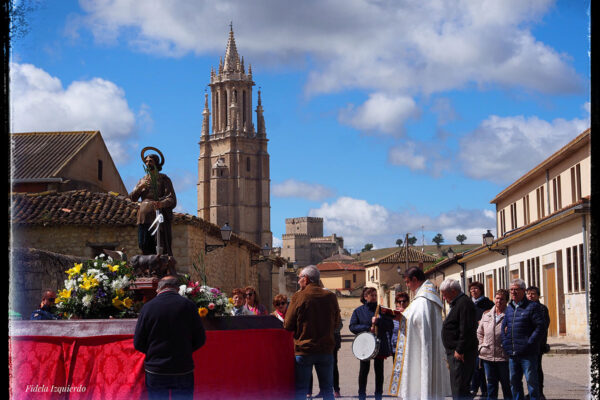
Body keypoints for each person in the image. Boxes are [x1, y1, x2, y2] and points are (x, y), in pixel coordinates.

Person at [134, 275, 206, 400]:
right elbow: (200, 338)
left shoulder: (147, 308)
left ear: (158, 289)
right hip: (182, 367)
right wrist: (186, 351)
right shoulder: (189, 306)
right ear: (177, 289)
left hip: (156, 368)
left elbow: (138, 342)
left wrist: (153, 352)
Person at [389, 267, 451, 399]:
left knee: (423, 376)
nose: (406, 285)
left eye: (407, 282)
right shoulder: (427, 296)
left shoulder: (424, 299)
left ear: (415, 280)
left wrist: (402, 317)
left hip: (423, 348)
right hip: (427, 345)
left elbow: (418, 320)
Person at [284, 265, 341, 400]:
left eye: (300, 278)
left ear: (307, 279)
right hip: (326, 349)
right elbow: (337, 324)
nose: (298, 281)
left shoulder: (299, 296)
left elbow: (288, 325)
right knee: (328, 389)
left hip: (304, 349)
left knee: (301, 390)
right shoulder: (331, 296)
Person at [501, 279, 545, 400]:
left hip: (528, 353)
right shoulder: (509, 307)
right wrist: (505, 343)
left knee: (531, 382)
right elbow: (503, 327)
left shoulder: (532, 307)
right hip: (512, 353)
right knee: (514, 382)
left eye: (516, 289)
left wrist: (530, 343)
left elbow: (540, 327)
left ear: (523, 291)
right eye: (511, 290)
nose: (513, 292)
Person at [128, 151, 177, 255]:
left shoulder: (163, 179)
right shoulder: (142, 180)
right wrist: (140, 187)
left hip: (158, 215)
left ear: (156, 163)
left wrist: (162, 203)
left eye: (150, 161)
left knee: (159, 243)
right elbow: (132, 197)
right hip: (143, 217)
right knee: (144, 243)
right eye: (146, 161)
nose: (147, 163)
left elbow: (171, 198)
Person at [350, 287, 394, 400]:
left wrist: (379, 321)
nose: (374, 297)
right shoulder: (358, 311)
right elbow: (352, 326)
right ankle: (361, 395)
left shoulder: (383, 311)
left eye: (375, 295)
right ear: (365, 297)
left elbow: (390, 326)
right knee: (364, 371)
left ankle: (378, 395)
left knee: (379, 371)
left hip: (379, 343)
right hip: (365, 345)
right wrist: (367, 328)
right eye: (372, 295)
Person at [441, 278, 478, 400]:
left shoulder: (464, 303)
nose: (444, 298)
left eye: (445, 294)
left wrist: (459, 350)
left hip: (461, 354)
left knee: (460, 387)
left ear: (453, 291)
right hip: (456, 352)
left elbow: (466, 329)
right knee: (458, 386)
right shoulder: (458, 302)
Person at [477, 289, 513, 400]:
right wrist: (482, 345)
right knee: (491, 384)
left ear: (506, 301)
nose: (499, 301)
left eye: (502, 299)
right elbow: (479, 332)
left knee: (506, 384)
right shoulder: (486, 315)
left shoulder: (510, 314)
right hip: (487, 355)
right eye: (497, 298)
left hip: (503, 357)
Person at [470, 281, 494, 398]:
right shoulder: (469, 304)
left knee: (483, 366)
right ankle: (479, 389)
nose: (473, 291)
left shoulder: (488, 303)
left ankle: (483, 389)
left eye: (475, 289)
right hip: (472, 338)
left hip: (485, 338)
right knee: (475, 366)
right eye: (471, 289)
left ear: (481, 290)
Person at [526, 286, 550, 400]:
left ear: (538, 296)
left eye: (533, 294)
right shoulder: (524, 307)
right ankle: (531, 392)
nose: (530, 296)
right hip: (525, 344)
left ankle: (539, 392)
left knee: (536, 369)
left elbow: (542, 328)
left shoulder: (542, 309)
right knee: (528, 370)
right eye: (528, 293)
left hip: (537, 345)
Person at [390, 291, 410, 359]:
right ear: (396, 303)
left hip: (408, 347)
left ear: (408, 302)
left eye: (404, 301)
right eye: (399, 301)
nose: (401, 303)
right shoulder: (392, 314)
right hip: (395, 348)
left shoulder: (411, 313)